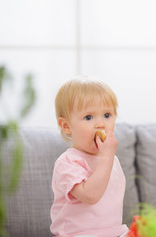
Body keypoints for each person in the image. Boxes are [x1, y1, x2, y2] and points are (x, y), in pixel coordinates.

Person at [50, 76, 128, 237]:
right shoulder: (68, 163)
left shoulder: (112, 159)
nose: (101, 124)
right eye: (88, 117)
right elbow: (90, 195)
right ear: (66, 126)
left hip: (114, 232)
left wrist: (108, 157)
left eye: (107, 115)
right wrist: (107, 157)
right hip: (76, 233)